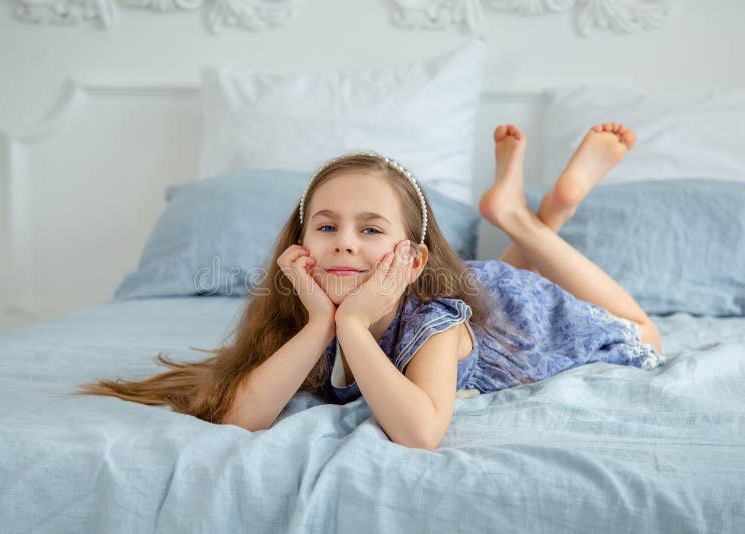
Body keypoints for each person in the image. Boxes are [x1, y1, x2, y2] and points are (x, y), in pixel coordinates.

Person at [77, 122, 664, 451]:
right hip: (476, 296)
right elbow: (241, 420)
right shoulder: (301, 312)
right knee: (491, 286)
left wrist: (353, 325)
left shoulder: (437, 321)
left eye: (371, 228)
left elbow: (419, 432)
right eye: (326, 226)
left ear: (411, 257)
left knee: (644, 334)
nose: (345, 243)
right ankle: (533, 217)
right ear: (300, 243)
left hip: (515, 317)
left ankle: (528, 217)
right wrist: (319, 325)